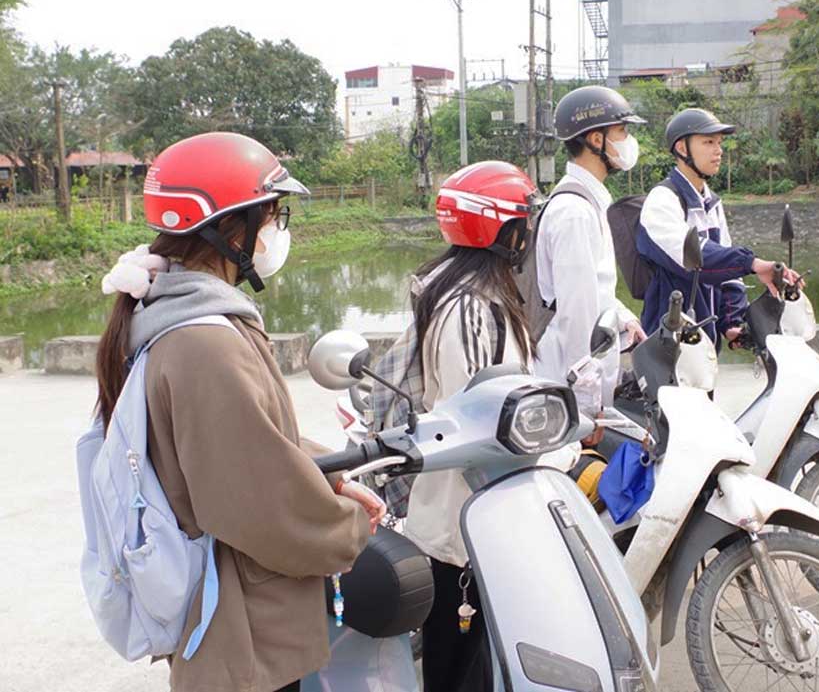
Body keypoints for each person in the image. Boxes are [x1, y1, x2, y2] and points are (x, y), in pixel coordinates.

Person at [94, 132, 383, 692]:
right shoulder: (205, 343)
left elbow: (247, 437)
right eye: (272, 215)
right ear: (231, 228)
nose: (278, 230)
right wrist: (347, 529)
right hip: (240, 633)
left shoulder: (173, 312)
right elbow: (257, 504)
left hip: (232, 617)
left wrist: (332, 475)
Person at [404, 161, 545, 692]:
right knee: (457, 666)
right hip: (461, 525)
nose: (528, 234)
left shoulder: (487, 296)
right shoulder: (467, 309)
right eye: (522, 221)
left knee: (482, 662)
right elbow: (475, 419)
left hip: (485, 513)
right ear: (499, 228)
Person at [636, 108, 799, 348]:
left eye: (720, 143)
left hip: (705, 341)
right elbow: (695, 257)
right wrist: (751, 263)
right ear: (682, 148)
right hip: (669, 340)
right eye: (709, 142)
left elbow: (726, 269)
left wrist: (732, 321)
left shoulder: (710, 202)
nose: (719, 150)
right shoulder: (662, 199)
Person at [535, 85, 646, 398]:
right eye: (622, 131)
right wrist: (585, 399)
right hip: (570, 385)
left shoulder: (588, 201)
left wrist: (623, 317)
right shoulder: (574, 212)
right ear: (596, 140)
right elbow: (575, 313)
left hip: (588, 373)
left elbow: (593, 289)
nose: (628, 141)